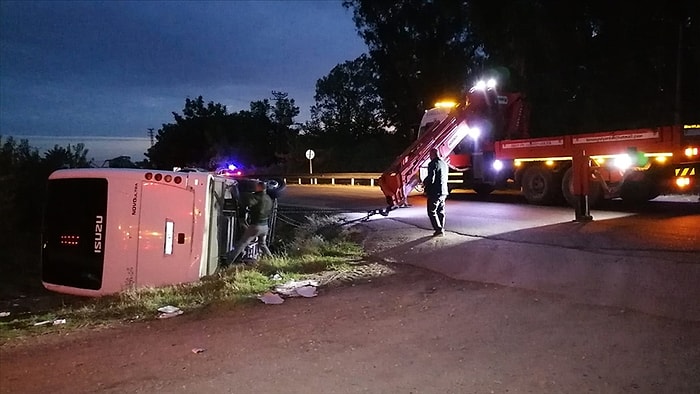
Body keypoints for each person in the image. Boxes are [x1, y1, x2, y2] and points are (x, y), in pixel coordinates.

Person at [225, 180, 274, 265]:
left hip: (256, 226)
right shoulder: (268, 198)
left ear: (259, 187)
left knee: (242, 243)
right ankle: (272, 260)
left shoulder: (257, 197)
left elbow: (247, 203)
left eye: (256, 186)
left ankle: (228, 261)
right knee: (262, 244)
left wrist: (237, 193)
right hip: (265, 226)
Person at [424, 148, 448, 236]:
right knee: (441, 211)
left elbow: (431, 178)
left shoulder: (432, 164)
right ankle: (441, 228)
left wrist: (425, 185)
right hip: (444, 191)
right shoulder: (444, 164)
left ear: (432, 154)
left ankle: (438, 230)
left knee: (431, 211)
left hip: (435, 192)